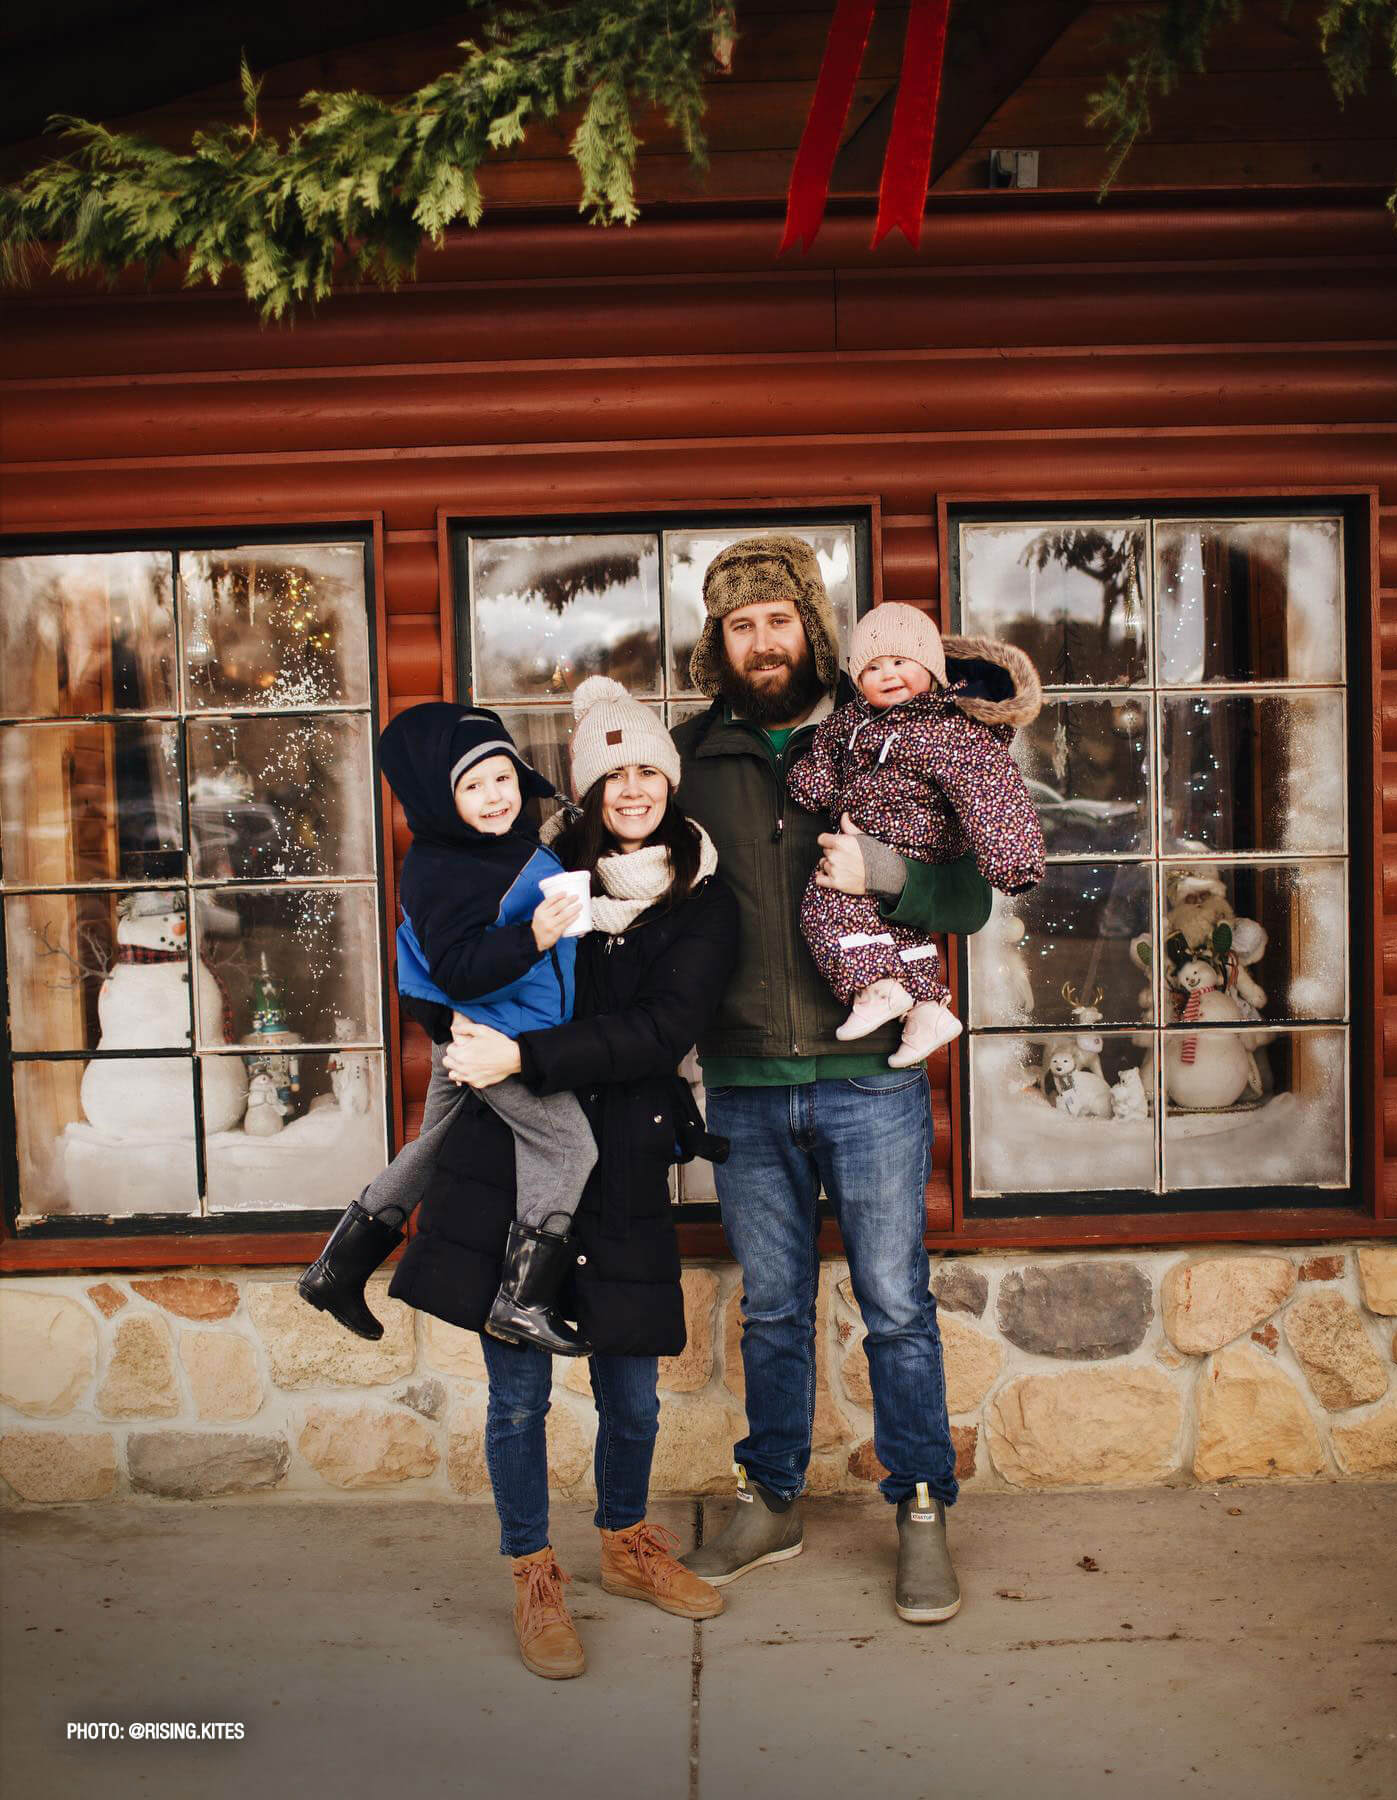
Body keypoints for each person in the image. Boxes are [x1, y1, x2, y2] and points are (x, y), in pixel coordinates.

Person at [670, 535, 1040, 1624]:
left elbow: (970, 898)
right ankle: (772, 1500)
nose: (762, 640)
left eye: (778, 619)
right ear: (720, 641)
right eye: (741, 624)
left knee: (895, 1306)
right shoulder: (689, 758)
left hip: (871, 1076)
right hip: (744, 1076)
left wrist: (884, 871)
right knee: (774, 1309)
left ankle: (920, 1506)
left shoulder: (893, 729)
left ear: (812, 628)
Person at [389, 676, 741, 1680]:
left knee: (633, 1392)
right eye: (612, 775)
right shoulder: (539, 868)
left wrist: (524, 1054)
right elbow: (448, 965)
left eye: (647, 772)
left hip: (622, 1156)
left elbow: (661, 1030)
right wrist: (457, 1032)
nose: (631, 789)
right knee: (518, 1397)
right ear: (586, 789)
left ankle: (626, 1543)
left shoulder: (702, 899)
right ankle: (533, 1573)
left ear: (669, 783)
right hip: (512, 1158)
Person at [298, 702, 596, 1355]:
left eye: (503, 777)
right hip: (494, 1038)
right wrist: (534, 937)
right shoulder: (445, 868)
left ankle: (336, 1270)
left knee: (432, 1145)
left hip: (473, 1031)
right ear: (440, 797)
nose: (496, 796)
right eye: (473, 785)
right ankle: (522, 1301)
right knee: (570, 1148)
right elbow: (458, 969)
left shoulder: (490, 846)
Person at [788, 602, 1045, 1064]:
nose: (887, 674)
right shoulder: (852, 720)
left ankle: (875, 987)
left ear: (931, 667)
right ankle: (928, 1010)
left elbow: (990, 789)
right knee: (899, 931)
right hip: (873, 836)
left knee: (826, 903)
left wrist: (1014, 859)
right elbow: (825, 750)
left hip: (916, 842)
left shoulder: (950, 729)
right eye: (872, 667)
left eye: (900, 661)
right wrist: (811, 783)